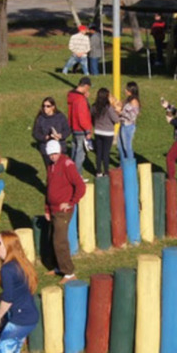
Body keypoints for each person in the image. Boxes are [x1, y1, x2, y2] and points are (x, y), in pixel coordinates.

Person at [44, 140, 86, 283]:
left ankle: (69, 272)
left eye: (55, 154)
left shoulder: (67, 164)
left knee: (60, 241)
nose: (52, 157)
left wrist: (70, 203)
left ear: (59, 151)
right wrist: (47, 209)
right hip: (53, 209)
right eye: (50, 154)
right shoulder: (51, 166)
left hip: (64, 210)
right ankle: (58, 267)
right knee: (52, 239)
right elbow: (48, 188)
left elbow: (80, 186)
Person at [31, 97, 69, 167]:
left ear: (53, 107)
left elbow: (67, 130)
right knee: (50, 170)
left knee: (61, 169)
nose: (45, 108)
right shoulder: (40, 118)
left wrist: (61, 135)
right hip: (46, 149)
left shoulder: (60, 117)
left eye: (48, 106)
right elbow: (35, 133)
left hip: (60, 147)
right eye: (43, 106)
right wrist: (45, 137)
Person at [90, 87, 119, 177]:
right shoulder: (109, 108)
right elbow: (116, 120)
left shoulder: (94, 106)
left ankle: (98, 171)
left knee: (99, 153)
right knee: (106, 153)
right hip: (108, 133)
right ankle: (106, 172)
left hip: (98, 131)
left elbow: (91, 117)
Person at [66, 77, 92, 170]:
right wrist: (88, 130)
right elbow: (82, 116)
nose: (88, 90)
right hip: (81, 129)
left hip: (73, 126)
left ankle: (72, 173)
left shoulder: (72, 95)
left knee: (74, 151)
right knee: (80, 154)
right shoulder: (80, 99)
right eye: (88, 88)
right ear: (85, 86)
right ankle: (77, 175)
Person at [117, 81, 141, 161]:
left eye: (127, 89)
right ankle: (123, 165)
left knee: (127, 147)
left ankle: (130, 165)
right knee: (120, 147)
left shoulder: (134, 102)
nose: (125, 91)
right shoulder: (127, 100)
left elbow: (132, 117)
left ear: (131, 90)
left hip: (129, 126)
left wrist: (121, 113)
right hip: (123, 125)